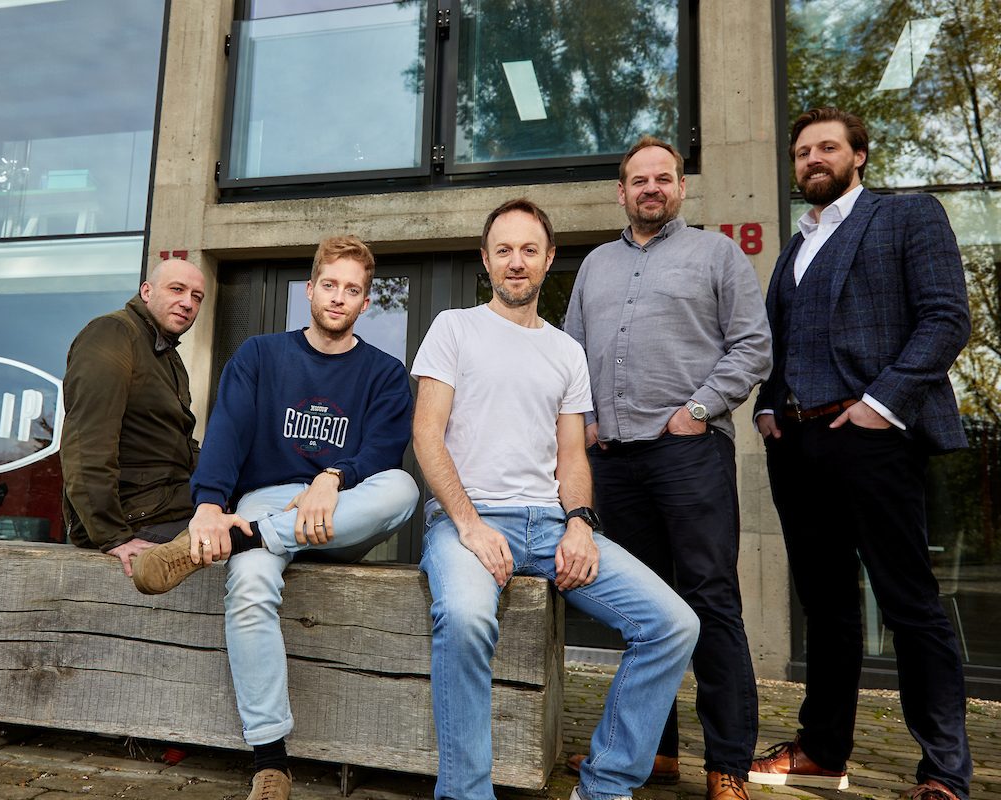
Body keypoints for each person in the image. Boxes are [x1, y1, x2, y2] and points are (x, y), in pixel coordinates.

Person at [411, 198, 700, 800]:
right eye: (504, 250)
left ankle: (605, 786)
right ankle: (465, 793)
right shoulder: (454, 327)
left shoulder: (567, 351)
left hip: (548, 525)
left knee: (673, 624)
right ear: (485, 261)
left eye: (529, 250)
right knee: (464, 618)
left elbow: (572, 456)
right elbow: (426, 436)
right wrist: (468, 523)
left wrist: (580, 524)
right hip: (468, 523)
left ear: (549, 260)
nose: (516, 262)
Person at [131, 235, 419, 800]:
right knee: (251, 584)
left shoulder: (385, 374)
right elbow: (227, 434)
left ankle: (247, 539)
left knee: (404, 488)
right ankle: (271, 760)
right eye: (330, 285)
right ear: (310, 291)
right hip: (265, 500)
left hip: (340, 511)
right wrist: (210, 508)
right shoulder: (261, 355)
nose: (339, 298)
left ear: (367, 303)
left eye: (353, 290)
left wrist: (329, 478)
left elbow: (383, 454)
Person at [749, 107, 972, 800]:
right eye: (802, 152)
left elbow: (946, 318)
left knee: (909, 604)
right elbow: (780, 341)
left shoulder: (907, 216)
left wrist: (880, 405)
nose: (813, 159)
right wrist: (765, 404)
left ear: (859, 156)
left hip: (873, 438)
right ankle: (823, 749)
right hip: (798, 442)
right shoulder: (794, 245)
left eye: (827, 148)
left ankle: (945, 773)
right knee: (827, 606)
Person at [562, 136, 771, 800]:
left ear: (681, 187)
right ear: (620, 192)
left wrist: (699, 409)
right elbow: (569, 354)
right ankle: (654, 753)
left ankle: (728, 765)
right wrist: (585, 419)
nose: (651, 188)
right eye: (638, 180)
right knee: (643, 611)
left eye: (663, 178)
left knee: (710, 602)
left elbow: (753, 345)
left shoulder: (718, 255)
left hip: (688, 453)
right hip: (615, 462)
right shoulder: (594, 265)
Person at [61, 258, 207, 572]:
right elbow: (88, 441)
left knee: (249, 521)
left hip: (166, 507)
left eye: (197, 297)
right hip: (130, 521)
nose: (187, 303)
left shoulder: (166, 354)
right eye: (177, 289)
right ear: (146, 291)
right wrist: (112, 535)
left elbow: (184, 445)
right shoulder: (112, 333)